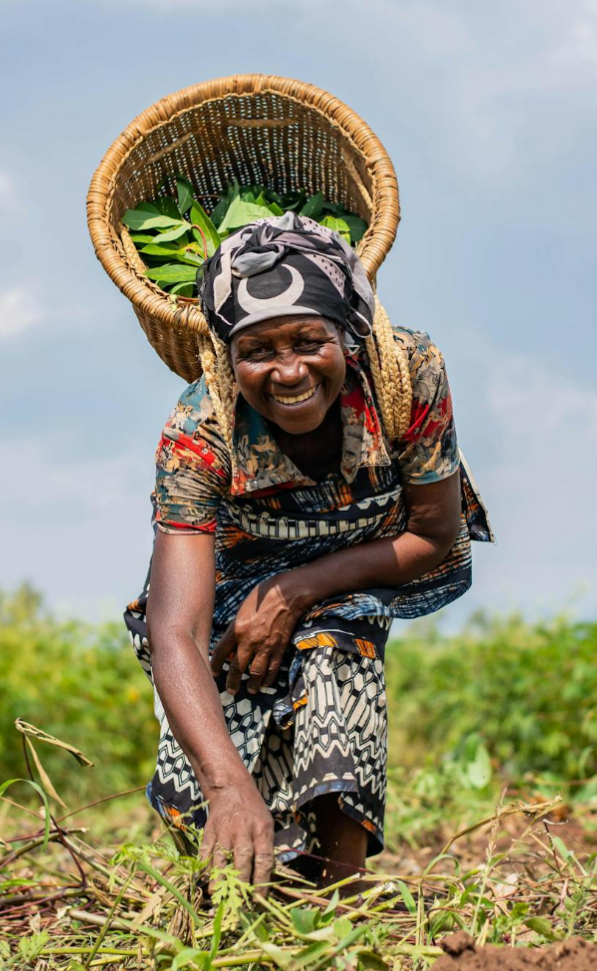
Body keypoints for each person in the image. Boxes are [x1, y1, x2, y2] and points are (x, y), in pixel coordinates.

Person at [125, 212, 492, 890]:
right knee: (228, 742)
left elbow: (433, 534)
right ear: (228, 358)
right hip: (233, 583)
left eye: (308, 341)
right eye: (257, 352)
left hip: (364, 557)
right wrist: (227, 785)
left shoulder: (406, 375)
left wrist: (298, 590)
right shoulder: (199, 430)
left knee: (335, 640)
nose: (288, 371)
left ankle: (342, 887)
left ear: (347, 335)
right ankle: (256, 871)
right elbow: (175, 630)